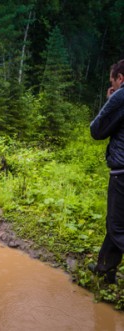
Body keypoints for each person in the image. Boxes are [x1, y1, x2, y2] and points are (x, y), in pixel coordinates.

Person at [89, 59, 124, 284]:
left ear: (120, 78)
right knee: (119, 222)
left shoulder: (122, 95)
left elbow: (97, 130)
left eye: (113, 80)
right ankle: (105, 269)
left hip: (122, 171)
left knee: (117, 227)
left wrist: (111, 100)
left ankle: (106, 269)